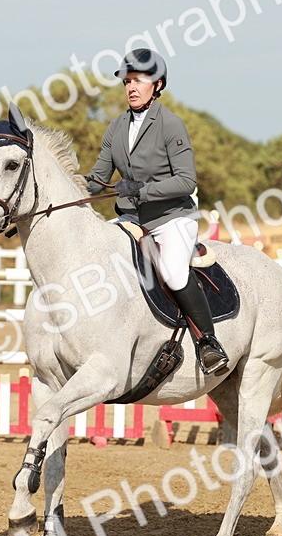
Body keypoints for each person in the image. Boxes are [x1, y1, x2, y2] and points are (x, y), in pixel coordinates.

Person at [84, 48, 228, 375]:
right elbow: (97, 179)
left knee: (174, 271)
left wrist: (142, 190)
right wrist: (68, 184)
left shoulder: (170, 125)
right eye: (127, 81)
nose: (131, 87)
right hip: (131, 219)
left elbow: (186, 180)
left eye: (139, 80)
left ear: (157, 84)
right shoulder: (116, 128)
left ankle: (208, 342)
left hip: (171, 217)